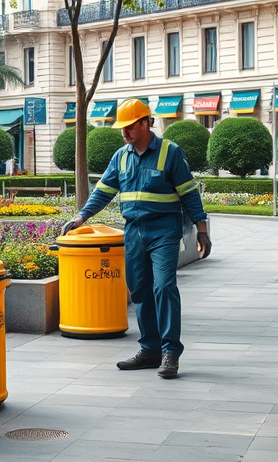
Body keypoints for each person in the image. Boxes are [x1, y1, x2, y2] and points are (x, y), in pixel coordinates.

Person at [61, 98, 211, 380]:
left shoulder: (170, 152)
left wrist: (201, 230)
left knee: (164, 286)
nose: (124, 133)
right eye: (122, 128)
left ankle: (170, 352)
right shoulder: (121, 156)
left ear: (145, 123)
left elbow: (190, 193)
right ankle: (150, 350)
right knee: (139, 290)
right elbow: (103, 191)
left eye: (129, 127)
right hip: (133, 231)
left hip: (164, 230)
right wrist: (81, 217)